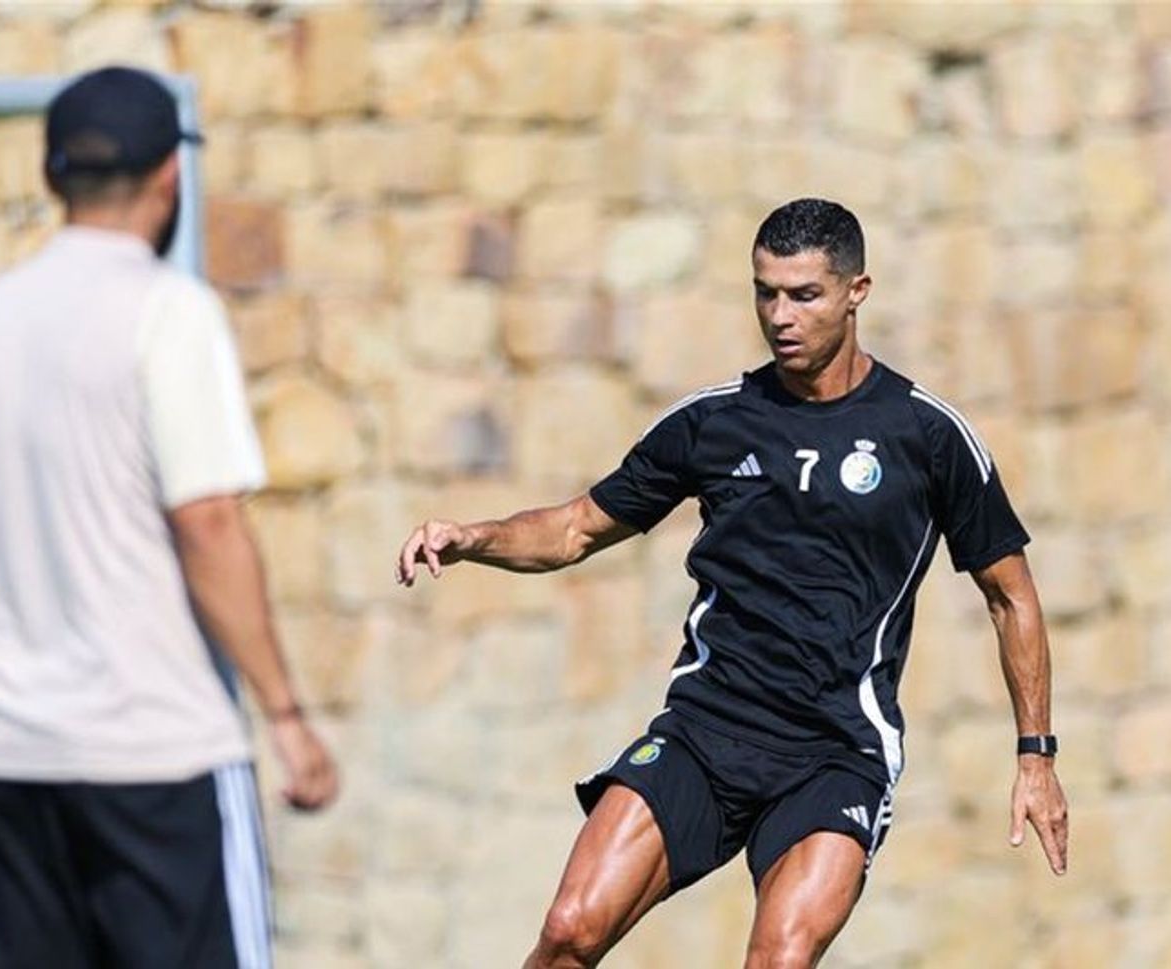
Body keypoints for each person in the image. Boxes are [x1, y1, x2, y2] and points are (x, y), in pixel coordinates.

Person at [397, 198, 1069, 968]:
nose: (780, 316)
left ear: (858, 291)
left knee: (778, 957)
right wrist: (472, 537)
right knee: (569, 927)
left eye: (804, 294)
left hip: (834, 750)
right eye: (765, 292)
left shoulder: (927, 436)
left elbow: (1010, 593)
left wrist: (1036, 756)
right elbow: (577, 526)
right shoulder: (715, 424)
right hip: (706, 732)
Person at [0, 66, 338, 969]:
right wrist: (286, 713)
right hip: (161, 754)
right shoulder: (169, 313)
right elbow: (209, 524)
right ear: (169, 178)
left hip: (15, 760)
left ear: (50, 179)